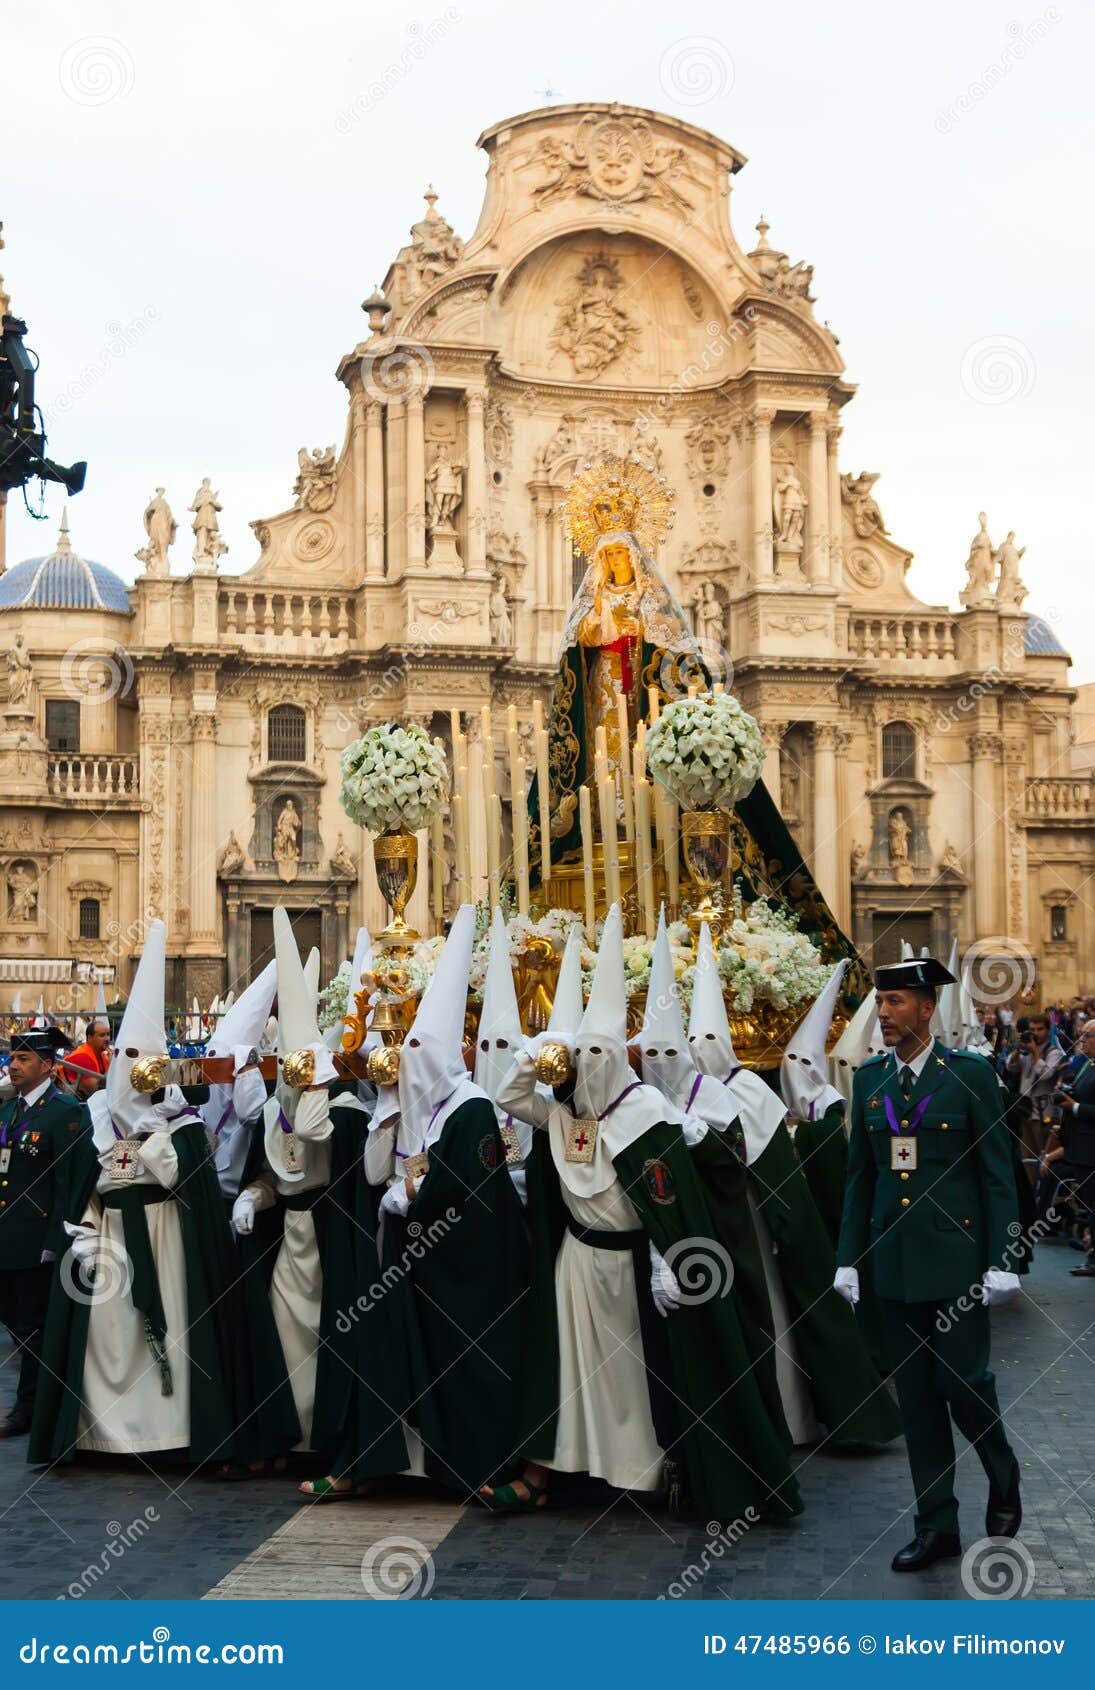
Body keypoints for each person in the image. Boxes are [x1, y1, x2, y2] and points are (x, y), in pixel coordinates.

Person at [486, 905, 804, 1525]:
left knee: (636, 1376)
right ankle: (556, 1468)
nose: (588, 1069)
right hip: (577, 1263)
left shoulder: (649, 1117)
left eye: (594, 1057)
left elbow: (667, 1204)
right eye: (581, 1058)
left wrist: (665, 1259)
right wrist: (540, 1054)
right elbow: (510, 1098)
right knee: (573, 1374)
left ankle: (648, 1469)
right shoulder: (568, 1116)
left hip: (635, 1271)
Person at [307, 903, 528, 1501]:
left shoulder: (472, 1109)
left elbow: (474, 1189)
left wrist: (416, 1200)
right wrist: (387, 1117)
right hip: (408, 1261)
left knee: (456, 1365)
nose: (406, 1065)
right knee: (386, 1356)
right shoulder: (414, 1109)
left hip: (461, 1266)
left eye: (416, 1054)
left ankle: (462, 1462)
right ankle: (375, 1460)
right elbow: (378, 1172)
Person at [30, 921, 244, 1467]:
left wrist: (154, 1132)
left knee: (171, 1328)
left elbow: (185, 1181)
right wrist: (80, 1225)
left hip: (167, 1239)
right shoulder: (96, 1117)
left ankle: (168, 1433)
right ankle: (107, 1433)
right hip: (110, 1239)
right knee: (108, 1341)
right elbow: (83, 1181)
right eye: (121, 1058)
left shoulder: (181, 1122)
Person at [835, 956, 1022, 1573]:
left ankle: (1002, 1472)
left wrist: (1004, 1259)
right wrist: (849, 1259)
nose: (883, 1013)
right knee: (915, 1398)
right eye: (880, 1002)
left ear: (925, 1008)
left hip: (957, 1262)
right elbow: (861, 1178)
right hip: (892, 1262)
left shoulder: (969, 1075)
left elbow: (999, 1176)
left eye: (894, 1003)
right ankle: (936, 1524)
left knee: (964, 1382)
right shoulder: (868, 1081)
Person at [0, 1028, 88, 1437]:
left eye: (24, 1059)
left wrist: (57, 1241)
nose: (13, 1065)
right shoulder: (8, 1110)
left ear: (49, 1066)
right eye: (12, 1058)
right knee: (16, 1326)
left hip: (36, 1241)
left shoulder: (65, 1111)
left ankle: (30, 1409)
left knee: (33, 1328)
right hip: (7, 1237)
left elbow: (70, 1182)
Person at [1006, 1010, 1066, 1173]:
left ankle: (1044, 1192)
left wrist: (1035, 1052)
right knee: (1027, 1158)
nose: (1035, 1033)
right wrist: (1018, 1050)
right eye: (1032, 1029)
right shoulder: (1025, 1049)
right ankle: (1030, 1193)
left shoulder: (1054, 1052)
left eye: (1040, 1029)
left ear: (1048, 1031)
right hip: (1026, 1109)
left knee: (1043, 1155)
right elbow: (1011, 1067)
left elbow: (1046, 1074)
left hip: (1043, 1112)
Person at [63, 1018, 112, 1098]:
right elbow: (95, 1090)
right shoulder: (82, 1057)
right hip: (74, 1100)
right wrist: (111, 1065)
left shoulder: (103, 1054)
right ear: (89, 1038)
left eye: (108, 1034)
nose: (107, 1039)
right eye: (102, 1035)